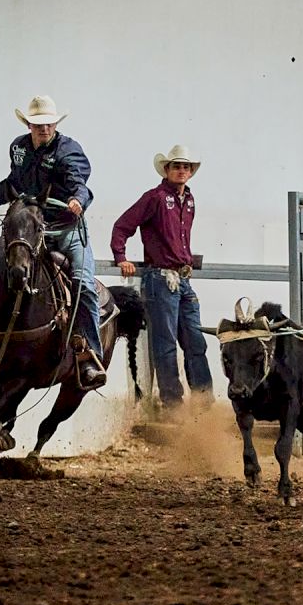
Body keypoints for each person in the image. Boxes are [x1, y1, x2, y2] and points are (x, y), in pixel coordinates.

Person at [0, 95, 106, 389]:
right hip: (27, 232)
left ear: (55, 124)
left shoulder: (69, 151)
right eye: (38, 124)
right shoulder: (19, 148)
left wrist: (77, 199)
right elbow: (11, 184)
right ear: (28, 124)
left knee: (83, 284)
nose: (44, 129)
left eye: (49, 124)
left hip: (66, 230)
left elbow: (80, 183)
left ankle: (89, 356)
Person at [111, 145, 214, 410]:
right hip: (160, 278)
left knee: (195, 339)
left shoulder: (189, 200)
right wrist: (120, 256)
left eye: (185, 167)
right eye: (176, 166)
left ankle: (203, 400)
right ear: (167, 170)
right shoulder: (155, 197)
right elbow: (123, 225)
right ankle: (173, 404)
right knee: (166, 343)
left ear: (190, 172)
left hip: (182, 277)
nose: (181, 171)